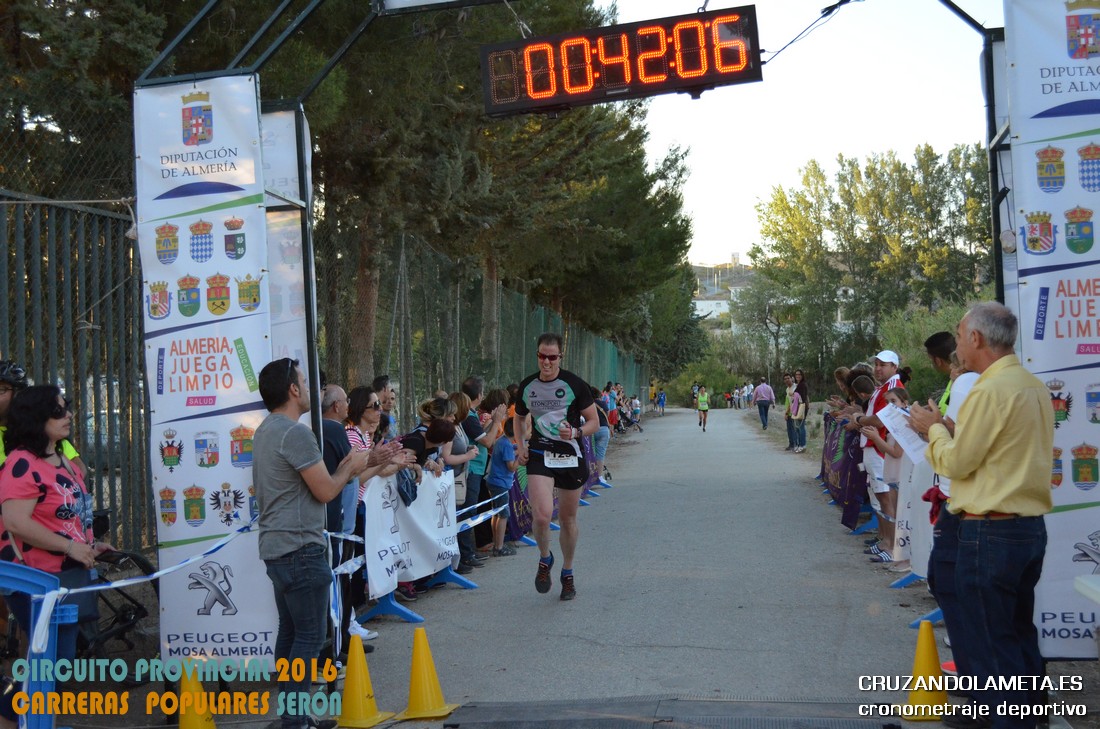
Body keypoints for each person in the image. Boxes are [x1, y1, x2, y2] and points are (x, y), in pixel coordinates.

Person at [908, 303, 1052, 728]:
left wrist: (933, 428)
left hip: (990, 530)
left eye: (959, 334)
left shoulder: (989, 391)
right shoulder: (1031, 385)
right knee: (1017, 633)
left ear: (975, 338)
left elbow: (958, 463)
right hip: (1026, 527)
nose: (956, 346)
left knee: (991, 646)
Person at [253, 358, 380, 729]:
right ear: (293, 390)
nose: (311, 389)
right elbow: (325, 490)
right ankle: (295, 721)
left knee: (291, 633)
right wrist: (350, 467)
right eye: (305, 382)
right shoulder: (295, 434)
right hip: (300, 550)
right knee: (307, 637)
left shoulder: (265, 430)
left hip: (278, 549)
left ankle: (292, 717)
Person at [514, 333, 599, 601]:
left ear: (560, 356)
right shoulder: (528, 385)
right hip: (540, 453)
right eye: (542, 356)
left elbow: (594, 422)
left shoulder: (574, 384)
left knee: (567, 519)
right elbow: (518, 417)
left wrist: (575, 432)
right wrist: (521, 445)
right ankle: (545, 558)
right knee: (541, 516)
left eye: (552, 357)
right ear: (537, 355)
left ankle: (568, 572)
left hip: (570, 455)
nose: (547, 362)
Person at [860, 386, 908, 563]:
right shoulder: (893, 422)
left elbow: (896, 452)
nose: (890, 406)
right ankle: (887, 543)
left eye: (894, 401)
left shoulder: (904, 422)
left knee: (895, 511)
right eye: (887, 402)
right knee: (890, 509)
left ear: (904, 403)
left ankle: (893, 548)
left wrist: (876, 438)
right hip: (892, 471)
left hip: (900, 473)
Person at [485, 419, 518, 556]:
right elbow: (511, 467)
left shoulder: (502, 441)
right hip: (501, 483)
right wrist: (520, 458)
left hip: (494, 481)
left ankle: (496, 543)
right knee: (503, 515)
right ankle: (499, 547)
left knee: (496, 512)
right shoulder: (507, 445)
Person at [782, 373, 796, 450]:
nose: (787, 380)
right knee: (789, 429)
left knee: (794, 429)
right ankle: (791, 444)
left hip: (794, 411)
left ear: (791, 378)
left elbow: (793, 402)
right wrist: (786, 413)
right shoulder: (787, 389)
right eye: (785, 379)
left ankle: (795, 444)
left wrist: (787, 412)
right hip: (789, 412)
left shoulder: (795, 387)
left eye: (788, 378)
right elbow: (788, 401)